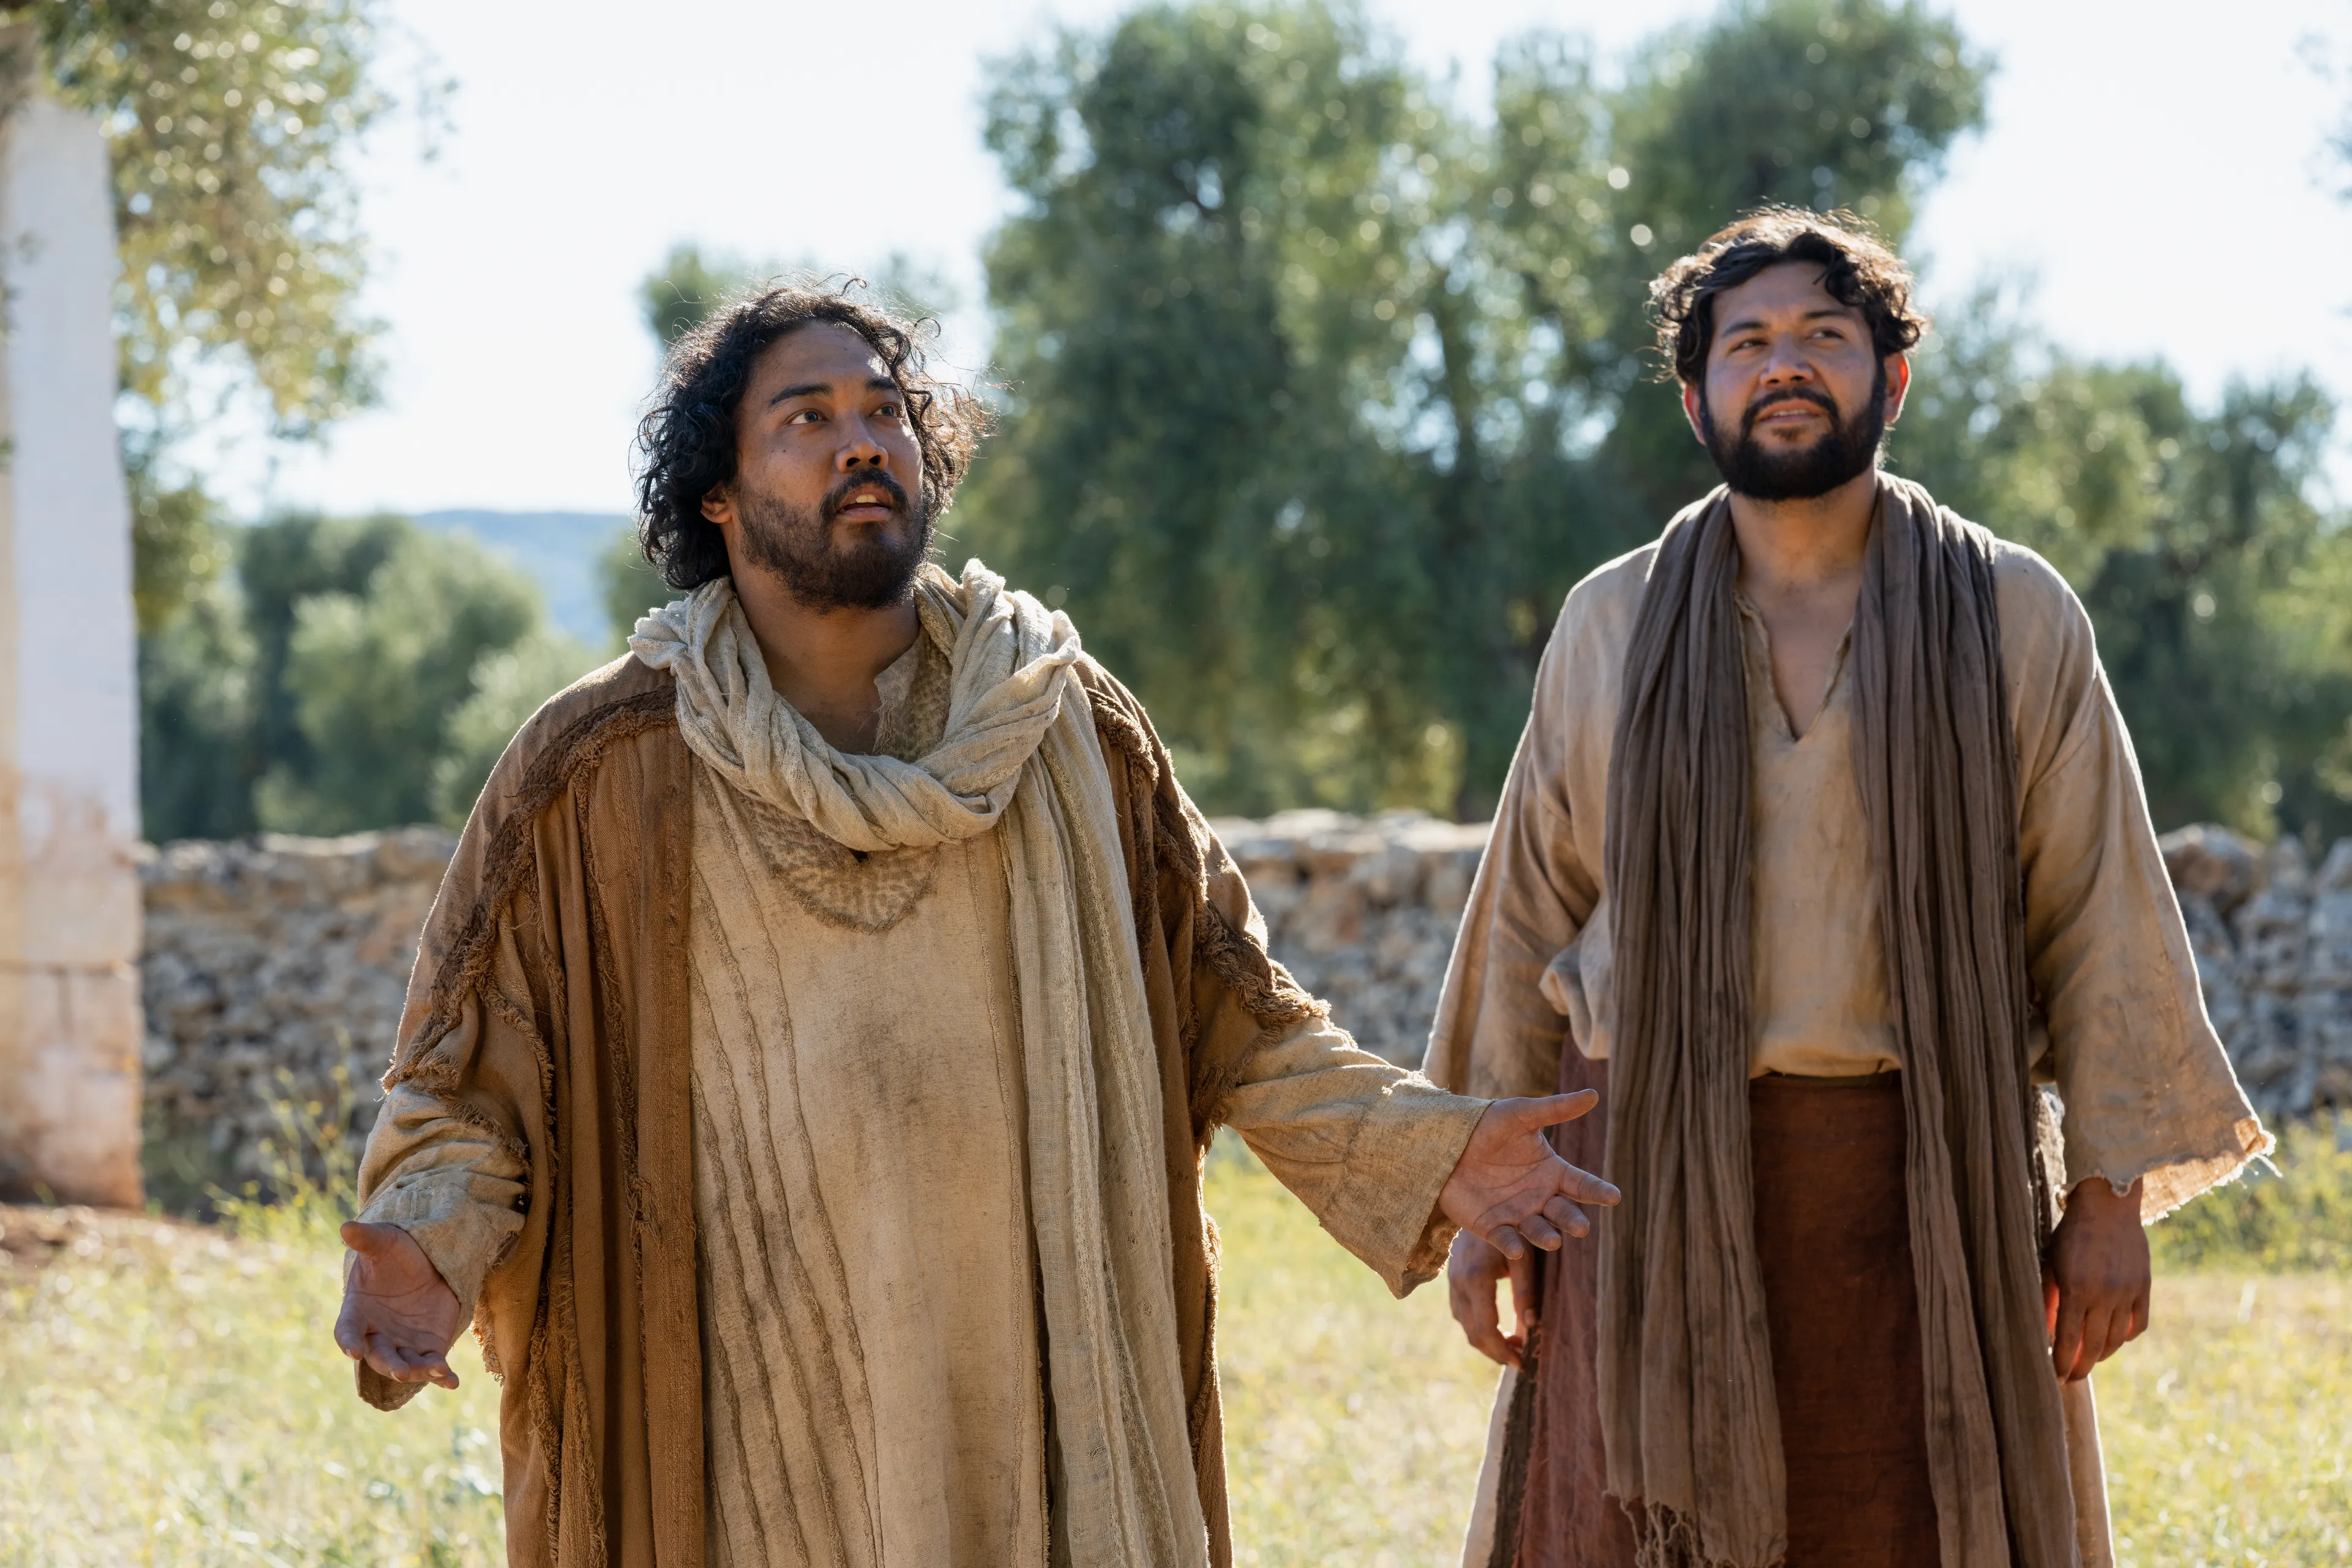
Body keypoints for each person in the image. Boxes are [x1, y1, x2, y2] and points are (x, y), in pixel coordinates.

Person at [330, 281, 1619, 1568]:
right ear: (715, 494)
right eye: (807, 417)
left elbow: (1238, 1009)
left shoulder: (1061, 721)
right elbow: (469, 1076)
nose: (862, 441)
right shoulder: (598, 769)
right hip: (738, 1428)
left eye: (887, 410)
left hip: (1039, 1410)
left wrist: (1425, 1148)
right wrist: (424, 1248)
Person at [1427, 209, 2266, 1568]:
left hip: (1924, 1188)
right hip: (1643, 1188)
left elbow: (2099, 910)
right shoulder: (1613, 623)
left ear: (1895, 376)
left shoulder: (2012, 611)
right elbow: (1527, 912)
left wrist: (2106, 1197)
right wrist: (1480, 1190)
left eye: (1827, 334)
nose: (1788, 364)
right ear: (1698, 394)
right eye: (1748, 342)